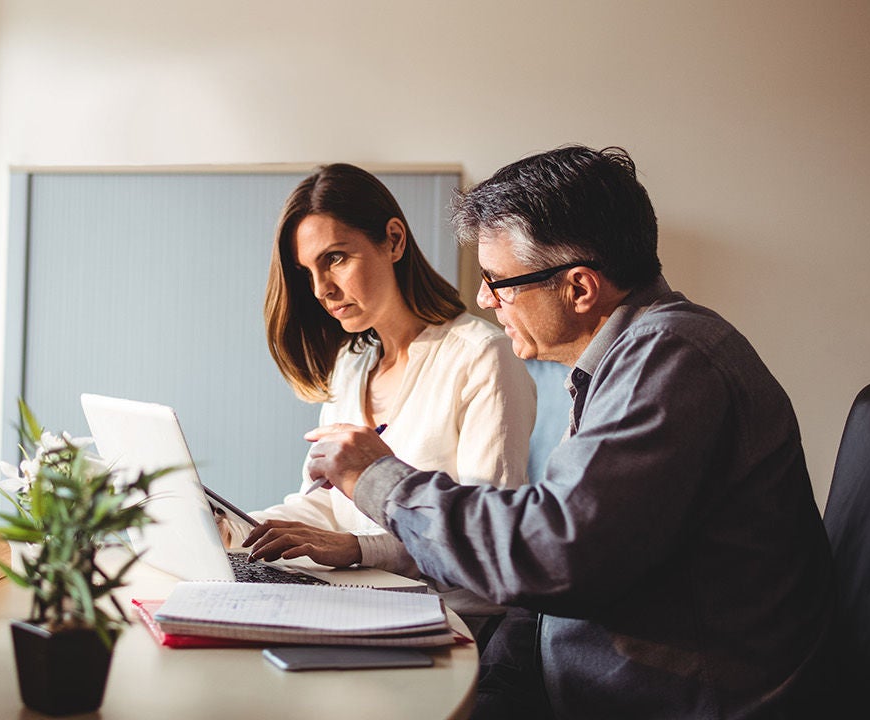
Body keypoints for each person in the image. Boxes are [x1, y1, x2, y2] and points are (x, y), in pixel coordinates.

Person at [301, 146, 834, 718]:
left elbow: (549, 554)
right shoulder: (623, 364)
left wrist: (380, 479)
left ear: (579, 288)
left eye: (497, 280)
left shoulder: (672, 358)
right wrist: (499, 684)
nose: (484, 299)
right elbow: (552, 566)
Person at [220, 163, 536, 630]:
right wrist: (235, 526)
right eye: (308, 270)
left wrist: (357, 548)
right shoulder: (353, 364)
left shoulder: (482, 357)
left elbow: (482, 539)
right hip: (363, 604)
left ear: (393, 240)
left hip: (457, 623)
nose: (322, 289)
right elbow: (330, 506)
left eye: (335, 258)